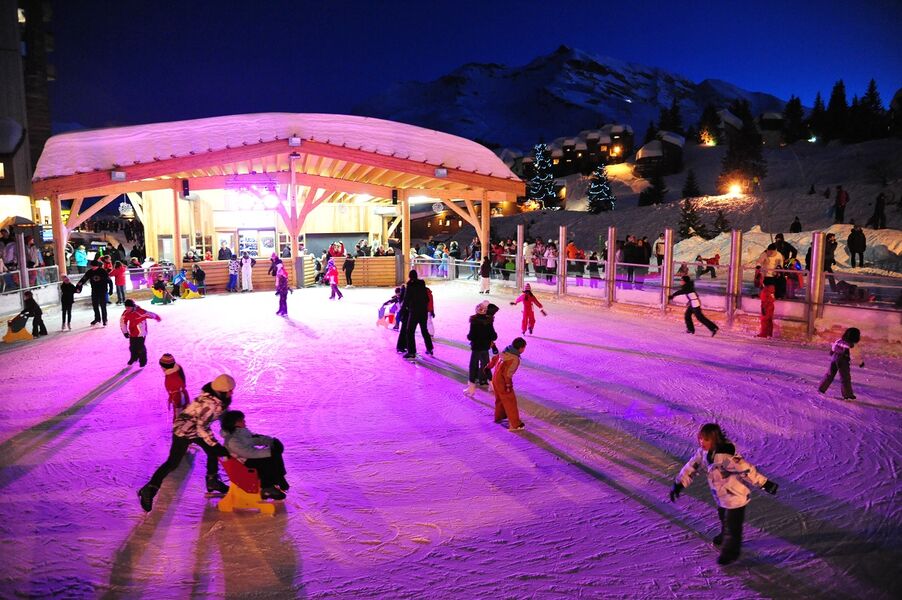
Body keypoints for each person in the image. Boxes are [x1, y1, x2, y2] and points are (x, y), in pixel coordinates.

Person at [669, 423, 778, 565]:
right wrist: (679, 484)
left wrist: (765, 483)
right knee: (723, 518)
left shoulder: (726, 458)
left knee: (733, 526)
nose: (702, 442)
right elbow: (691, 467)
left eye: (706, 440)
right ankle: (724, 534)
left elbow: (746, 470)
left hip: (735, 497)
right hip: (722, 497)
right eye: (700, 438)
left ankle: (731, 552)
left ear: (714, 440)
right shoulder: (703, 453)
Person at [137, 374, 236, 512]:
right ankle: (149, 489)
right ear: (221, 391)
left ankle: (212, 481)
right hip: (183, 431)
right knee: (173, 463)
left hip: (195, 428)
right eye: (229, 390)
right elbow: (202, 427)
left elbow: (222, 414)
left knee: (212, 452)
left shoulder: (219, 398)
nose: (232, 392)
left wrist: (231, 426)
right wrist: (215, 445)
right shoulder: (209, 404)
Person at [220, 410, 289, 500]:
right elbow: (248, 453)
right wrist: (270, 452)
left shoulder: (241, 433)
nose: (244, 422)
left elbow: (254, 439)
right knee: (268, 459)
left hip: (246, 459)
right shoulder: (232, 439)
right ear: (235, 423)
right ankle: (267, 488)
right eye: (242, 420)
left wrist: (271, 441)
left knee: (274, 454)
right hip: (242, 465)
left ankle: (279, 477)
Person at [491, 337, 527, 431]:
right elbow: (508, 375)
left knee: (500, 399)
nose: (524, 350)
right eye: (524, 348)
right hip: (503, 382)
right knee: (510, 401)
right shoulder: (514, 359)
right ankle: (515, 425)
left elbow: (494, 359)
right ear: (520, 348)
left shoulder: (505, 351)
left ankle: (499, 417)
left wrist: (487, 368)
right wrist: (508, 386)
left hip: (495, 379)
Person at [464, 301, 499, 396]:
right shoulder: (489, 321)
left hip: (476, 348)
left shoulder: (474, 321)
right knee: (486, 367)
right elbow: (494, 336)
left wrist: (469, 337)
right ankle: (492, 384)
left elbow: (471, 336)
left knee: (473, 366)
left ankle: (471, 388)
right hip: (485, 348)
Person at [818, 327, 864, 400]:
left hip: (834, 359)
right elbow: (855, 357)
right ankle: (847, 394)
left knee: (829, 374)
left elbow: (834, 346)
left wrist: (832, 351)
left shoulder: (839, 340)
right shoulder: (852, 346)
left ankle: (821, 388)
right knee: (845, 378)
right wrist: (860, 363)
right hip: (843, 362)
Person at [400, 270, 433, 359]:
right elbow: (426, 299)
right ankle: (429, 348)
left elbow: (406, 300)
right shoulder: (422, 285)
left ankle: (411, 351)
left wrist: (402, 312)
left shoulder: (410, 286)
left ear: (410, 276)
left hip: (414, 312)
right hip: (423, 312)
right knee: (424, 330)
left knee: (410, 331)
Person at [120, 299, 161, 367]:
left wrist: (157, 317)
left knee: (140, 347)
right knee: (132, 347)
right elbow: (122, 322)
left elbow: (150, 314)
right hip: (132, 333)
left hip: (141, 333)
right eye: (126, 307)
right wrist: (125, 332)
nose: (127, 309)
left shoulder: (140, 312)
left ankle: (143, 361)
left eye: (129, 307)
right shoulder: (126, 313)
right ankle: (134, 358)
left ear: (133, 306)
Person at [76, 259, 111, 326]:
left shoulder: (102, 271)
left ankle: (105, 319)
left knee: (103, 306)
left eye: (94, 266)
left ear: (97, 266)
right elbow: (84, 279)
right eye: (92, 266)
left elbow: (109, 280)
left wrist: (111, 289)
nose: (92, 267)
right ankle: (97, 318)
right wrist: (78, 285)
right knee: (95, 306)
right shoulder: (90, 272)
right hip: (94, 291)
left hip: (102, 291)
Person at [159, 353, 189, 422]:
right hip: (178, 397)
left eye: (162, 366)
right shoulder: (173, 371)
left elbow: (179, 399)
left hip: (178, 398)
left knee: (180, 416)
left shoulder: (172, 378)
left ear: (167, 366)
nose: (161, 368)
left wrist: (178, 421)